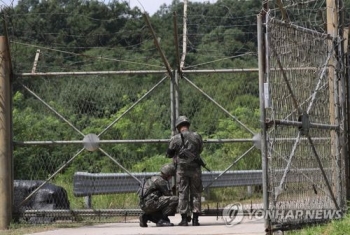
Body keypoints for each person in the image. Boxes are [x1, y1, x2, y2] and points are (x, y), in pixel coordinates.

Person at [166, 115, 204, 226]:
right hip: (195, 169)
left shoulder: (175, 138)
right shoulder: (197, 136)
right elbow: (200, 149)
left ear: (178, 127)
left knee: (183, 192)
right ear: (188, 125)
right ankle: (195, 219)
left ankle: (183, 219)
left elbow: (169, 153)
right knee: (196, 193)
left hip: (181, 170)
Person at [138, 163, 178, 227]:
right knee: (175, 199)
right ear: (168, 174)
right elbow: (168, 195)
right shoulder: (161, 181)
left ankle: (146, 216)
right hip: (150, 204)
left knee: (167, 219)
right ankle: (161, 219)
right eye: (170, 175)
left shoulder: (153, 178)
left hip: (144, 204)